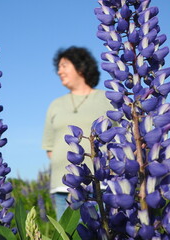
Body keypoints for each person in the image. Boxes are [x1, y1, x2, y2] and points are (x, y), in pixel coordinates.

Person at [42, 46, 112, 220]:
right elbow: (49, 147)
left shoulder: (107, 98)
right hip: (63, 186)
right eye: (58, 67)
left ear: (80, 67)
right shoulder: (55, 104)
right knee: (68, 235)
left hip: (102, 183)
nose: (59, 71)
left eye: (64, 65)